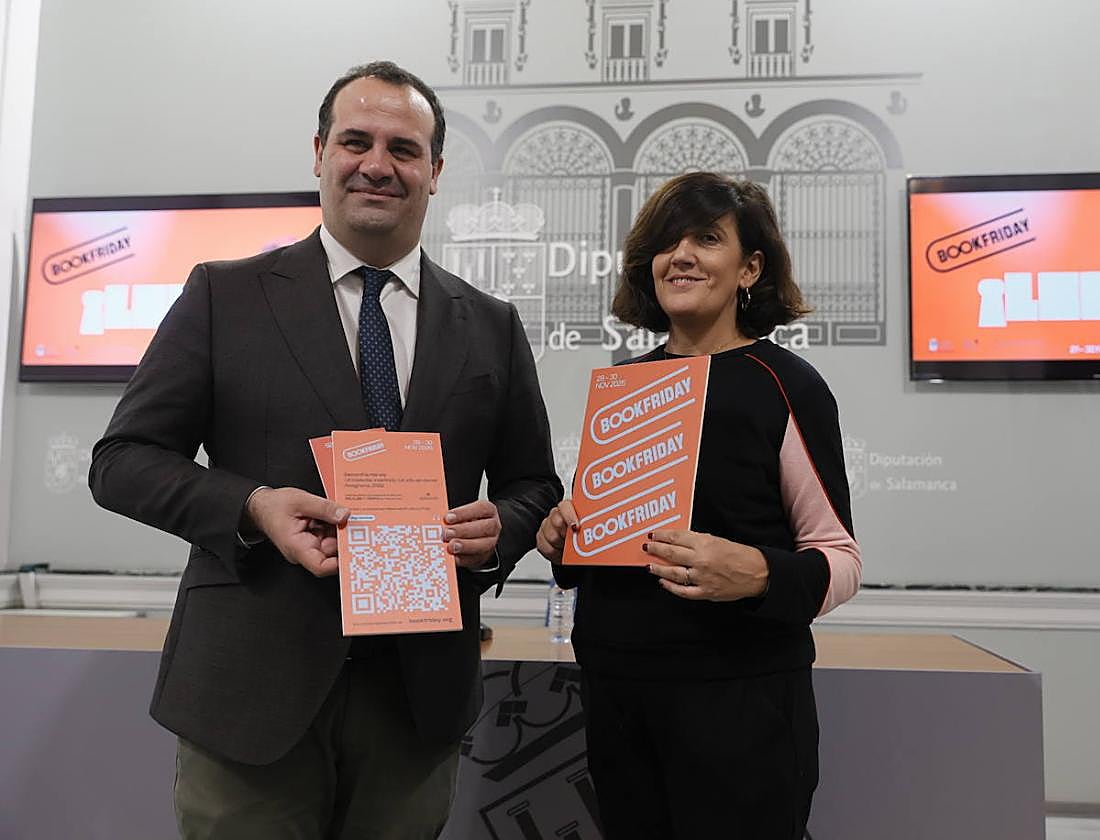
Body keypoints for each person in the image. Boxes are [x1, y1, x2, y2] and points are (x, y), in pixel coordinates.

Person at [89, 61, 561, 839]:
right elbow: (124, 459)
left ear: (435, 171)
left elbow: (532, 484)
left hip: (416, 703)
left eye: (404, 149)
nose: (378, 164)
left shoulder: (490, 324)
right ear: (318, 153)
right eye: (356, 141)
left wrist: (498, 533)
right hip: (250, 697)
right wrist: (250, 507)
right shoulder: (222, 295)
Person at [536, 171, 861, 839]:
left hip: (742, 704)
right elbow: (599, 543)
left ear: (750, 267)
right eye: (666, 242)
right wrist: (562, 533)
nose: (680, 255)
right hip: (618, 694)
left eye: (706, 239)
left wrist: (760, 574)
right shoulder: (627, 384)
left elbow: (839, 557)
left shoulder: (787, 386)